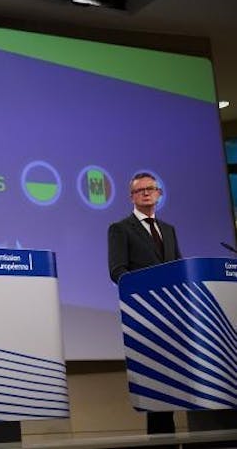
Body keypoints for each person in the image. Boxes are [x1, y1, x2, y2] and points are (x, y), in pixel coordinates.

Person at [107, 171, 181, 437]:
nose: (147, 193)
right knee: (156, 388)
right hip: (145, 316)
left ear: (159, 194)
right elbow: (117, 271)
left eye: (151, 189)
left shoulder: (169, 230)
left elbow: (179, 269)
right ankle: (161, 441)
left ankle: (169, 438)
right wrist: (145, 293)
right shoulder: (120, 228)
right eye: (140, 190)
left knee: (172, 386)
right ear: (132, 197)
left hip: (171, 318)